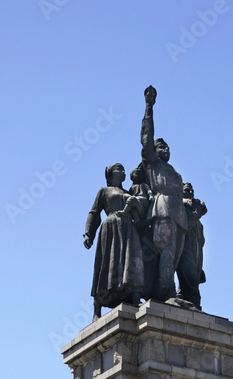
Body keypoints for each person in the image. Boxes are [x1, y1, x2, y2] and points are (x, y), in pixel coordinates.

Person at [140, 85, 188, 301]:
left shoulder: (174, 173)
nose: (166, 150)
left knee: (175, 257)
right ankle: (168, 292)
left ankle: (166, 291)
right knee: (166, 251)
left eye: (168, 148)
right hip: (163, 209)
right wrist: (149, 107)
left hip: (179, 214)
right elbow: (146, 137)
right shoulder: (152, 164)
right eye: (162, 147)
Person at [83, 163, 145, 319]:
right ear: (110, 174)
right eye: (118, 169)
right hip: (111, 227)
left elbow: (141, 215)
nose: (122, 172)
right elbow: (94, 213)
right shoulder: (104, 191)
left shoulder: (129, 192)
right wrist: (88, 233)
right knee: (105, 265)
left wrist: (137, 205)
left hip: (129, 228)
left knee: (132, 259)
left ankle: (134, 297)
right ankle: (97, 309)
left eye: (123, 170)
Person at [129, 164, 157, 302]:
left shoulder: (145, 187)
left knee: (150, 257)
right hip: (138, 224)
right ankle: (136, 292)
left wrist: (151, 196)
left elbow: (151, 195)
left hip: (148, 222)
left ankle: (151, 291)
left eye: (139, 173)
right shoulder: (132, 189)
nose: (138, 175)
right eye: (135, 173)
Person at [177, 182, 207, 308]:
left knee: (193, 280)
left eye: (191, 190)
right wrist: (198, 212)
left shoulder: (196, 213)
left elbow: (201, 239)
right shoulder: (182, 205)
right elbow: (185, 226)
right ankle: (194, 304)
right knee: (190, 279)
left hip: (197, 249)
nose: (190, 193)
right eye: (186, 190)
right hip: (186, 245)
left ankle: (186, 299)